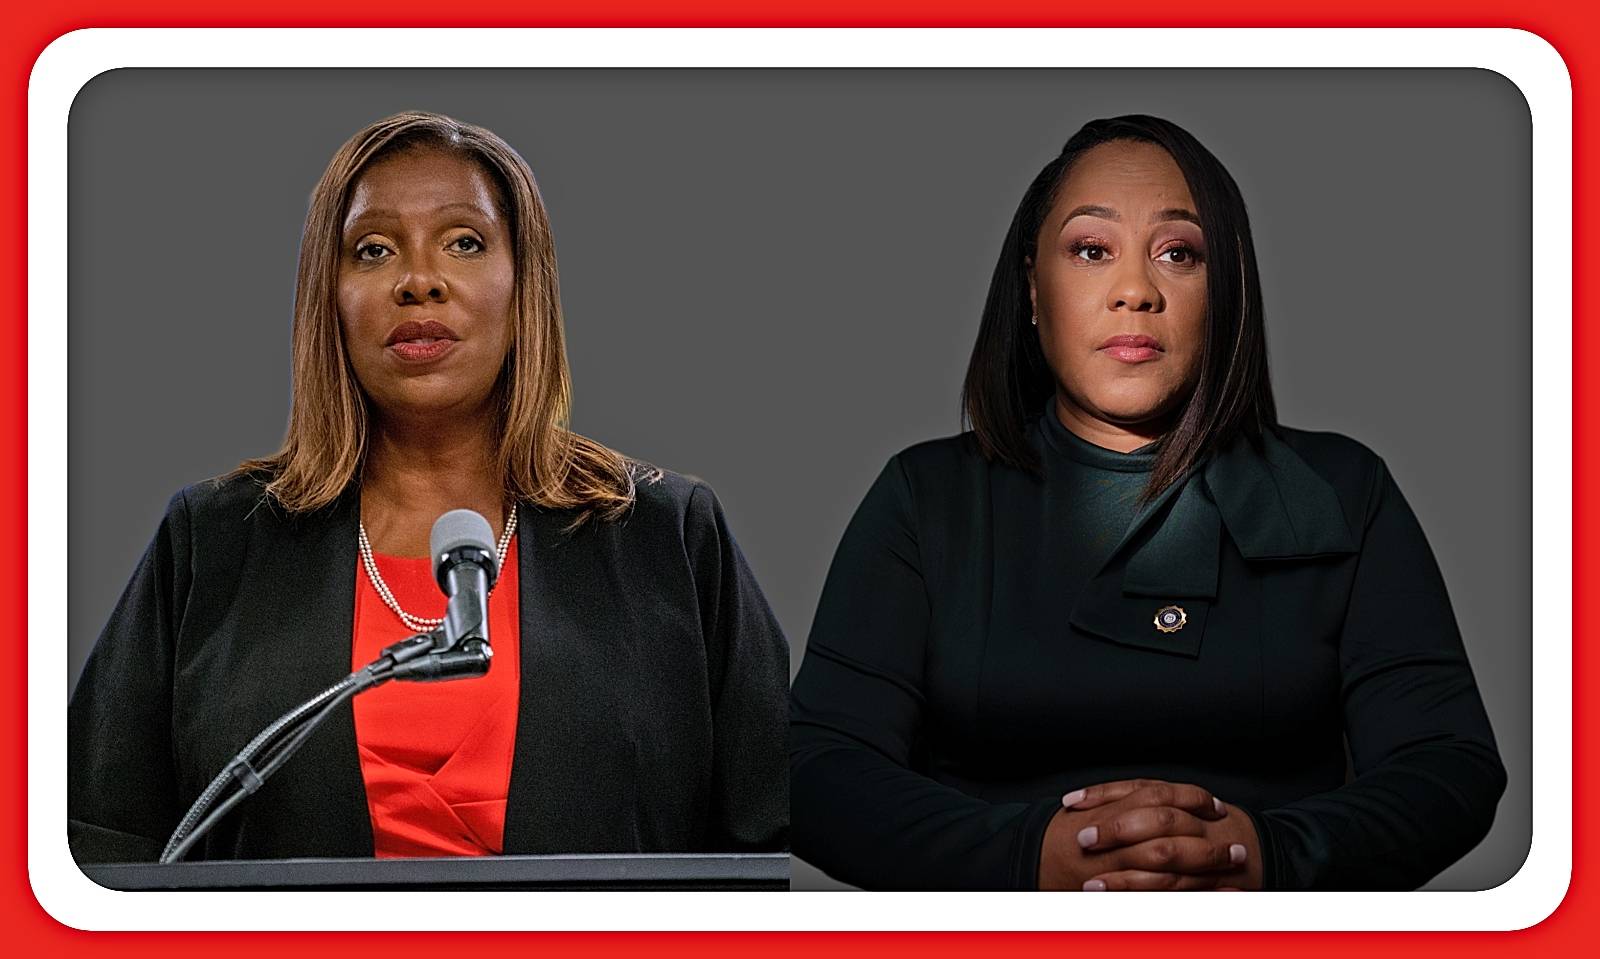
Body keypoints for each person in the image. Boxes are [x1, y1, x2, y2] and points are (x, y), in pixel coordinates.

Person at [788, 114, 1506, 891]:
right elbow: (815, 768)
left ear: (1224, 290)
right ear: (1034, 287)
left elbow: (1449, 765)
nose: (1135, 291)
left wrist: (1267, 853)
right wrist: (1030, 857)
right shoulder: (925, 499)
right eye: (1092, 250)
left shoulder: (1343, 489)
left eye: (1178, 254)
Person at [69, 111, 789, 863]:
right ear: (331, 297)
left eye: (464, 242)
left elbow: (781, 844)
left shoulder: (666, 535)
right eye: (373, 250)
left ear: (524, 283)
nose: (419, 281)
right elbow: (98, 842)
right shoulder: (210, 542)